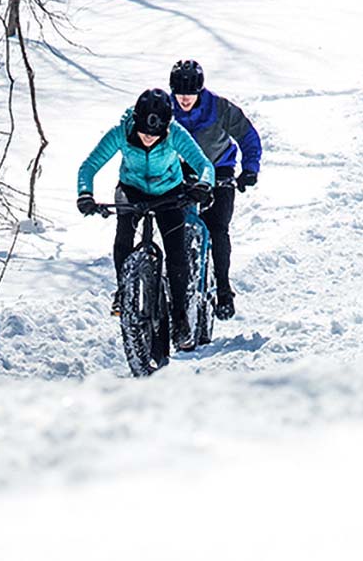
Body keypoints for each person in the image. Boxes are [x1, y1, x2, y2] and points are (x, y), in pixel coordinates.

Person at [76, 88, 215, 350]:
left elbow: (204, 165)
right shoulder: (121, 131)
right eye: (143, 133)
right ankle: (124, 291)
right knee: (124, 238)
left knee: (176, 254)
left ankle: (181, 317)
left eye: (155, 134)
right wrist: (85, 193)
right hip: (132, 190)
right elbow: (89, 166)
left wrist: (203, 186)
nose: (149, 138)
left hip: (169, 193)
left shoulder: (175, 134)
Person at [167, 60, 262, 320]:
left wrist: (250, 168)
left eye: (190, 94)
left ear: (200, 91)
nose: (185, 99)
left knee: (217, 228)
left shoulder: (220, 109)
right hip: (180, 171)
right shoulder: (166, 109)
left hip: (218, 169)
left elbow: (248, 136)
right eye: (180, 94)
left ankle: (222, 288)